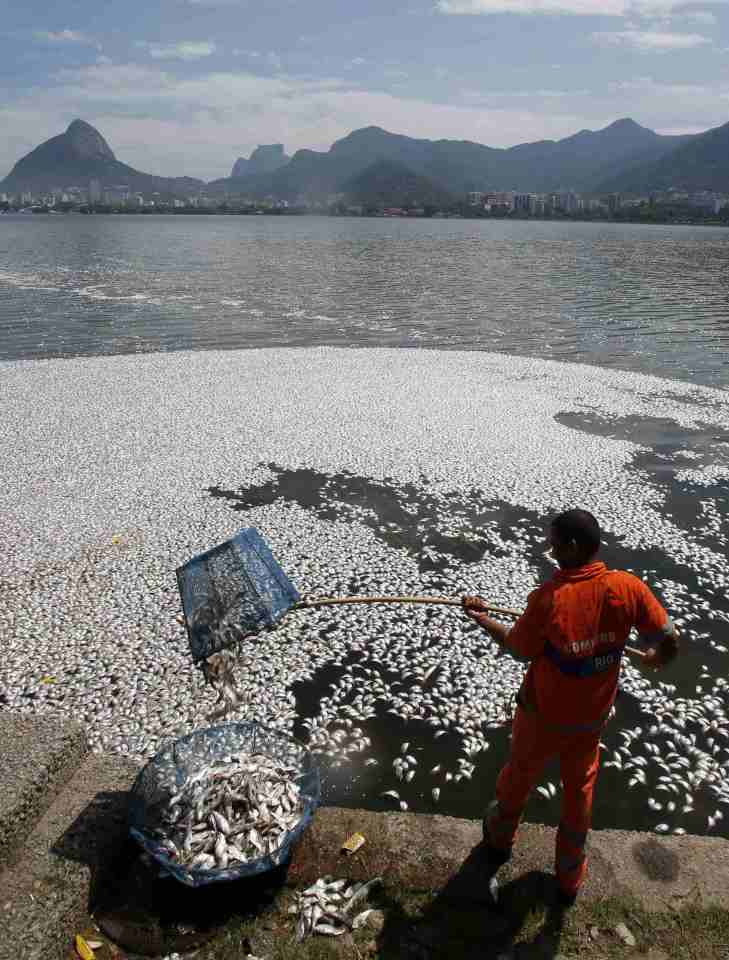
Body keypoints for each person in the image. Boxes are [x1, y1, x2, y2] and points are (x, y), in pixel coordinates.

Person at [462, 508, 679, 906]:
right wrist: (656, 658)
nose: (550, 548)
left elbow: (517, 648)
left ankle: (497, 844)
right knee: (579, 797)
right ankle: (568, 881)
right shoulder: (628, 588)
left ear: (573, 547)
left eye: (555, 543)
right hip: (590, 724)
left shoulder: (549, 600)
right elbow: (668, 637)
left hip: (541, 719)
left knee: (517, 781)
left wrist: (482, 619)